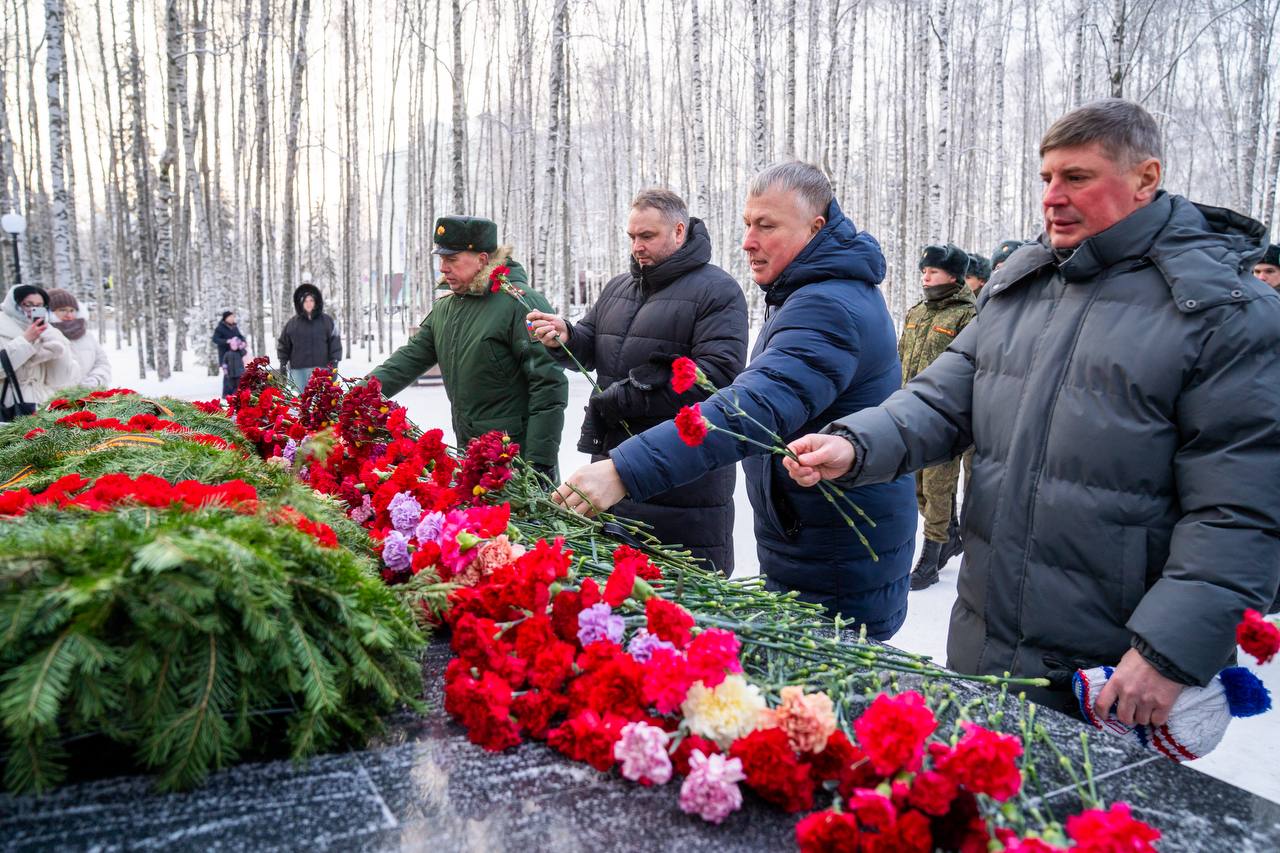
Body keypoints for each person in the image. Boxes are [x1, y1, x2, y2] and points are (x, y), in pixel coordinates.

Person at [782, 99, 1280, 723]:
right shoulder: (1023, 285)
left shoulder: (1221, 312)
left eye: (1077, 178)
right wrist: (855, 442)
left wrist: (1171, 651)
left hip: (1115, 666)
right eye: (1046, 178)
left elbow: (1240, 510)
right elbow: (942, 398)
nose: (1051, 197)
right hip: (985, 637)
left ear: (1145, 178)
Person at [553, 162, 917, 639]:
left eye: (766, 226)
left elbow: (752, 405)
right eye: (747, 224)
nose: (748, 241)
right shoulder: (809, 294)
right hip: (813, 530)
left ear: (815, 227)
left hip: (835, 548)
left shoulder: (826, 306)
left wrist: (624, 468)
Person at [526, 190, 748, 573]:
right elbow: (592, 345)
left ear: (679, 231)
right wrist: (565, 336)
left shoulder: (718, 290)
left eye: (647, 236)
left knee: (683, 603)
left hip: (682, 483)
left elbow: (716, 377)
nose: (637, 247)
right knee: (619, 597)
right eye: (632, 237)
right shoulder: (617, 289)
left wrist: (624, 398)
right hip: (611, 473)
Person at [370, 216, 568, 480]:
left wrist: (540, 464)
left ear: (483, 259)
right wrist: (360, 395)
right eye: (441, 259)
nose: (442, 268)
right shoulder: (446, 308)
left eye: (451, 260)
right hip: (472, 456)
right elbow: (408, 360)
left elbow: (548, 385)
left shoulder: (520, 304)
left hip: (516, 463)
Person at [898, 244, 976, 591]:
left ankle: (930, 559)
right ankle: (951, 535)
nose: (925, 275)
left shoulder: (966, 316)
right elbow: (901, 357)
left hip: (946, 414)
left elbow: (970, 367)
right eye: (923, 270)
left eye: (933, 270)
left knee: (937, 485)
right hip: (911, 408)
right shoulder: (917, 312)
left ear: (954, 276)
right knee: (918, 486)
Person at [0, 284, 81, 414]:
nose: (33, 310)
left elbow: (60, 380)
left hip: (42, 404)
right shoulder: (3, 326)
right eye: (28, 304)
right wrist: (25, 340)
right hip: (9, 405)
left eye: (39, 306)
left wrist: (55, 341)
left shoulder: (47, 331)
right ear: (14, 304)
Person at [277, 282, 342, 391]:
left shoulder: (327, 321)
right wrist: (283, 363)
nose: (308, 303)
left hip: (322, 370)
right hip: (298, 371)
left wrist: (334, 363)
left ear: (316, 302)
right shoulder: (292, 323)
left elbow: (335, 343)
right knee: (300, 403)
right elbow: (284, 344)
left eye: (311, 300)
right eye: (305, 301)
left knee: (321, 402)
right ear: (301, 303)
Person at [47, 288, 111, 389]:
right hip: (56, 400)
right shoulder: (44, 336)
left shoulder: (87, 335)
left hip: (89, 397)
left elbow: (102, 362)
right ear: (49, 312)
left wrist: (96, 380)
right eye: (62, 310)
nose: (69, 315)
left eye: (72, 310)